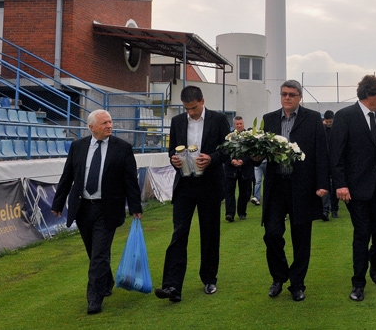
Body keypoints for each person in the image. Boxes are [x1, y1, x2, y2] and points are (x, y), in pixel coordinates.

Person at [51, 109, 142, 315]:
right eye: (104, 123)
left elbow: (130, 180)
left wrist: (135, 207)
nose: (109, 126)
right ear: (92, 127)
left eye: (110, 122)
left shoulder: (123, 148)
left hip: (107, 209)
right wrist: (58, 204)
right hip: (83, 208)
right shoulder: (78, 146)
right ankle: (106, 281)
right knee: (94, 253)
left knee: (99, 254)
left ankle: (94, 298)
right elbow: (67, 176)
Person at [329, 74, 376, 302]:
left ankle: (375, 259)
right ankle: (358, 283)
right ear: (369, 94)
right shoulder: (345, 116)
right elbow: (336, 155)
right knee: (362, 233)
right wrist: (340, 184)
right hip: (354, 189)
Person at [155, 86, 230, 302]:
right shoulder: (177, 121)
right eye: (187, 108)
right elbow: (172, 150)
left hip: (210, 185)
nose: (191, 112)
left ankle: (209, 279)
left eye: (194, 108)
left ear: (202, 101)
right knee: (179, 233)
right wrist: (174, 160)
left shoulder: (218, 119)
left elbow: (228, 149)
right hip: (185, 185)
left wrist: (212, 158)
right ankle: (172, 285)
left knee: (209, 234)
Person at [260, 80, 330, 302]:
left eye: (291, 94)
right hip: (276, 186)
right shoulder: (269, 119)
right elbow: (260, 153)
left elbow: (321, 152)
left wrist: (322, 183)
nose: (287, 98)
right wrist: (252, 156)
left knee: (301, 238)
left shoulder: (312, 119)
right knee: (272, 234)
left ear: (300, 97)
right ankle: (279, 277)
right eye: (284, 94)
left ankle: (297, 283)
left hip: (302, 186)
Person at [225, 116, 254, 222]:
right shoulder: (228, 137)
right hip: (231, 169)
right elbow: (225, 152)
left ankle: (242, 212)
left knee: (244, 192)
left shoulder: (249, 137)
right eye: (237, 124)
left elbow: (252, 152)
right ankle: (230, 213)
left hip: (245, 169)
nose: (239, 125)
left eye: (241, 123)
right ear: (234, 125)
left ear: (243, 124)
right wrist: (231, 160)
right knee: (229, 192)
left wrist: (243, 161)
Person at [323, 110, 340, 219]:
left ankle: (334, 209)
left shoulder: (337, 130)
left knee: (335, 187)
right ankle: (325, 209)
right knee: (325, 186)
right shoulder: (322, 130)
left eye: (330, 122)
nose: (329, 124)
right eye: (327, 122)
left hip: (335, 162)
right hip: (325, 162)